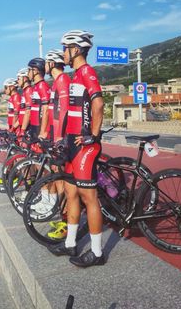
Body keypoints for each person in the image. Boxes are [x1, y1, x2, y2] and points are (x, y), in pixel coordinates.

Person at [47, 30, 106, 267]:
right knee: (71, 193)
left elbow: (99, 103)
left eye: (65, 48)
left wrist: (93, 135)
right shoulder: (75, 75)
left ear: (76, 49)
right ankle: (70, 242)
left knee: (88, 197)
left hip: (85, 145)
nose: (63, 53)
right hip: (72, 143)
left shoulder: (87, 72)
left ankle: (97, 252)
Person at [41, 49, 71, 240]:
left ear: (52, 63)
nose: (45, 65)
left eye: (46, 62)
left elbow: (64, 111)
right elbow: (52, 112)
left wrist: (59, 138)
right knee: (57, 176)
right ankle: (64, 216)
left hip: (62, 137)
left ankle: (68, 221)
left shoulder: (63, 82)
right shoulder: (56, 84)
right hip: (55, 135)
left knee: (64, 181)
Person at [19, 58, 50, 140]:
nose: (28, 73)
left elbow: (46, 110)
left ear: (35, 71)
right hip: (34, 125)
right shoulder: (36, 86)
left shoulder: (42, 86)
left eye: (29, 70)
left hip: (39, 127)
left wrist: (42, 131)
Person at [15, 69, 32, 136]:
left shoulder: (28, 91)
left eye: (18, 78)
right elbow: (22, 114)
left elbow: (28, 112)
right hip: (23, 126)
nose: (17, 81)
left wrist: (23, 130)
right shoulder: (24, 92)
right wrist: (14, 127)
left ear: (25, 78)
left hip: (27, 127)